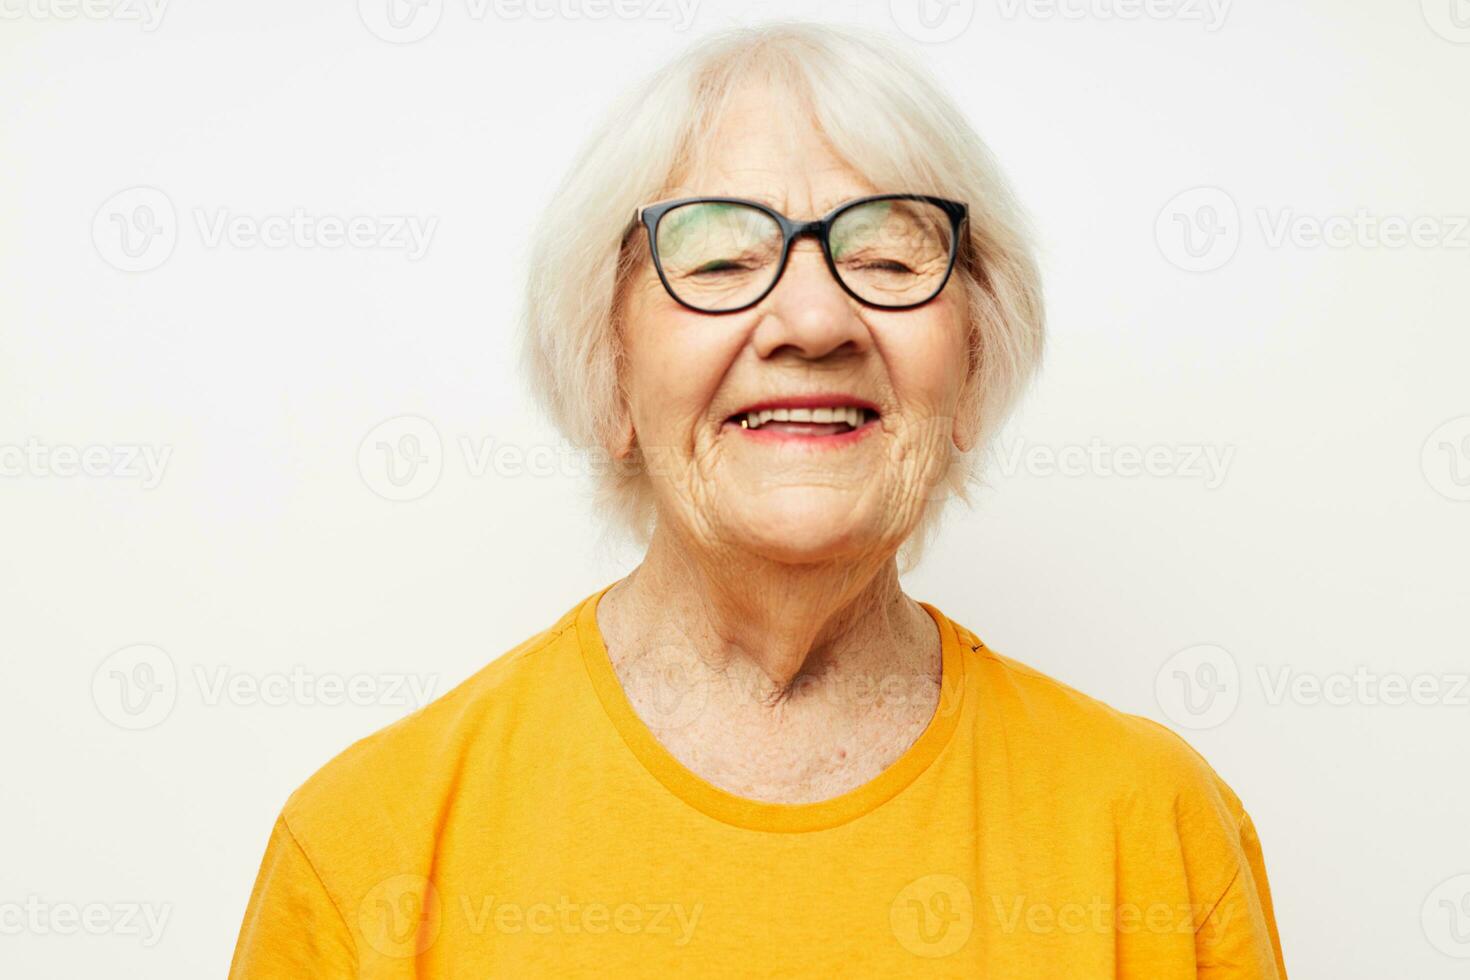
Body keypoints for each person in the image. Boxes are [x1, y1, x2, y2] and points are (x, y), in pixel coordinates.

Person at [229, 22, 1287, 977]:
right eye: (722, 257)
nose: (816, 318)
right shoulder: (370, 845)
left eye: (886, 252)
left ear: (971, 357)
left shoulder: (1154, 828)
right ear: (609, 368)